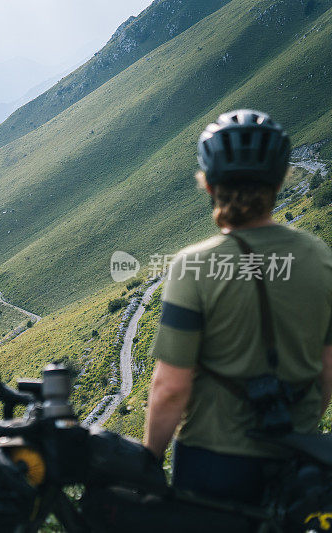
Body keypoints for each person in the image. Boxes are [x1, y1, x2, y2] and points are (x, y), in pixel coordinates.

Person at [143, 109, 332, 504]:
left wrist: (148, 466)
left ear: (209, 184)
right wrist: (302, 429)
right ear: (279, 181)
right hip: (300, 465)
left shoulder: (192, 267)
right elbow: (328, 369)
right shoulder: (320, 257)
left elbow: (171, 389)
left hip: (214, 468)